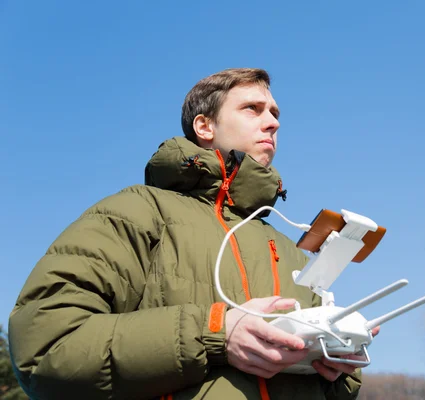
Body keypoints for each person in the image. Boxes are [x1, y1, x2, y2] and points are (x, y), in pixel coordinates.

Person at [9, 68, 375, 400]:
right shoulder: (136, 212)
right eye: (253, 108)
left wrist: (339, 366)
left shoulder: (289, 251)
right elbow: (45, 347)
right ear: (205, 126)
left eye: (275, 114)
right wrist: (215, 331)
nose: (272, 123)